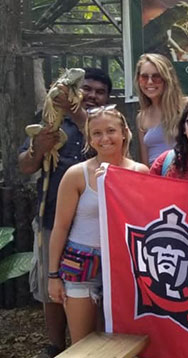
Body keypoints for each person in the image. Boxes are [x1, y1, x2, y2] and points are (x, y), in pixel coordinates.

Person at [18, 67, 111, 358]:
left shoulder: (108, 126)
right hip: (51, 218)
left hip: (96, 224)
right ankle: (55, 346)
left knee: (96, 289)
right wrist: (38, 150)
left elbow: (112, 156)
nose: (92, 96)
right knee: (52, 286)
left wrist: (78, 115)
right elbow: (25, 166)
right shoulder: (49, 120)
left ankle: (94, 347)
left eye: (100, 91)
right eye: (88, 89)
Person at [47, 105, 148, 346]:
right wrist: (53, 275)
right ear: (89, 139)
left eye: (111, 131)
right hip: (81, 262)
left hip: (124, 265)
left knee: (120, 343)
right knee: (83, 345)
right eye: (97, 133)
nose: (105, 138)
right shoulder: (76, 174)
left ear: (124, 132)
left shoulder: (140, 172)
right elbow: (60, 226)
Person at [134, 53, 186, 166]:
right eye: (144, 77)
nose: (150, 82)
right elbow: (145, 162)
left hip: (185, 177)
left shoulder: (187, 107)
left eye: (156, 76)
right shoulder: (142, 117)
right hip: (156, 179)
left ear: (167, 78)